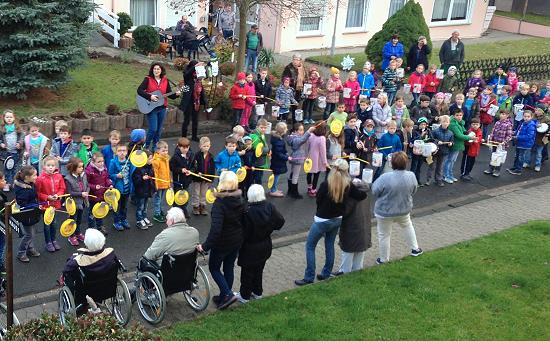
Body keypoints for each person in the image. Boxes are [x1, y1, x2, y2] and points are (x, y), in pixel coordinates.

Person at [295, 158, 367, 285]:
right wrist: (358, 183)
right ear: (346, 171)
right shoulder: (348, 185)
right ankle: (326, 273)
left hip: (322, 220)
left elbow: (318, 199)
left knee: (310, 246)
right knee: (329, 245)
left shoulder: (325, 184)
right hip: (337, 219)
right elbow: (362, 196)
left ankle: (309, 277)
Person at [196, 171, 244, 310]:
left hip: (222, 242)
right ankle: (224, 295)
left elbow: (216, 229)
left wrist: (205, 247)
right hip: (236, 240)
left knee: (214, 268)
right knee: (229, 267)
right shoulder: (239, 199)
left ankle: (228, 295)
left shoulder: (220, 203)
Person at [236, 184, 285, 303]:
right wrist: (269, 228)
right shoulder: (269, 206)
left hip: (249, 247)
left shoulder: (246, 210)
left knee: (247, 273)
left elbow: (241, 230)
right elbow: (280, 221)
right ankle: (257, 292)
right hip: (265, 244)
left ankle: (245, 295)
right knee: (259, 270)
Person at [372, 151, 423, 264]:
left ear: (392, 163)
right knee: (407, 226)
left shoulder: (385, 177)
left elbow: (375, 191)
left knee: (384, 234)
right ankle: (415, 249)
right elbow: (414, 190)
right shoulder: (411, 175)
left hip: (384, 211)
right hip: (403, 209)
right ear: (406, 163)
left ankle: (384, 259)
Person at [61, 229, 119, 314]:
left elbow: (66, 269)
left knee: (69, 276)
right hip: (107, 288)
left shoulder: (79, 260)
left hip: (86, 293)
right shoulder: (110, 253)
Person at [137, 63, 181, 150]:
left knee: (158, 130)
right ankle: (145, 147)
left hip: (162, 108)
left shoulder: (165, 80)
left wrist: (176, 94)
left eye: (158, 69)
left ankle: (155, 148)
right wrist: (150, 97)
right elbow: (139, 90)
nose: (156, 71)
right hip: (151, 108)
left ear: (161, 70)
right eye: (154, 69)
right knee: (153, 129)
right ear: (152, 70)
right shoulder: (148, 79)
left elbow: (169, 94)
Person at [335, 178, 370, 275]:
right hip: (364, 225)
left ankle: (344, 271)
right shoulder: (366, 194)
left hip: (351, 227)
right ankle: (357, 270)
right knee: (360, 249)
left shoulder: (351, 196)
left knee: (348, 250)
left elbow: (345, 211)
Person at [35, 156, 66, 252]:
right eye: (48, 165)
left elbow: (62, 188)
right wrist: (47, 197)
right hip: (45, 205)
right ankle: (48, 242)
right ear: (44, 166)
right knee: (47, 224)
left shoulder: (59, 176)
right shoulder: (40, 179)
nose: (51, 167)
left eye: (52, 165)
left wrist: (58, 195)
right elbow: (37, 192)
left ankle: (54, 240)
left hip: (55, 204)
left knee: (54, 223)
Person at [14, 166, 41, 263]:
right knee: (29, 234)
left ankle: (30, 248)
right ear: (26, 177)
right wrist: (35, 206)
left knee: (32, 233)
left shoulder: (31, 184)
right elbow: (23, 205)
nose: (36, 177)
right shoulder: (23, 190)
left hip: (32, 213)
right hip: (26, 215)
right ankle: (21, 253)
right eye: (34, 175)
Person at [64, 157, 90, 246]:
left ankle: (78, 233)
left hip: (82, 202)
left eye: (82, 167)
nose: (82, 169)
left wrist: (87, 191)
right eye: (79, 167)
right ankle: (71, 236)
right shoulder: (68, 179)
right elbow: (69, 192)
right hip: (73, 203)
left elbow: (87, 185)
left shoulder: (83, 175)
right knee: (72, 219)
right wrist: (81, 194)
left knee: (79, 219)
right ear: (73, 168)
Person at [180, 61, 207, 142]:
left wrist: (205, 102)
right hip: (188, 101)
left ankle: (194, 136)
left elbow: (201, 90)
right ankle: (183, 137)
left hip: (196, 101)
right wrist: (195, 66)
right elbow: (186, 75)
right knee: (186, 120)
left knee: (195, 120)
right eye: (195, 68)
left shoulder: (198, 79)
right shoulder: (188, 78)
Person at [86, 152, 112, 235]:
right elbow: (86, 183)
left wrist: (109, 184)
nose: (101, 163)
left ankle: (100, 227)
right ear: (93, 162)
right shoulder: (89, 171)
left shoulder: (104, 168)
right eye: (99, 162)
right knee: (92, 213)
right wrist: (93, 187)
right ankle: (91, 229)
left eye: (102, 161)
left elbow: (106, 179)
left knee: (100, 211)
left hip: (101, 195)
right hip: (92, 196)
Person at [286, 123, 314, 199]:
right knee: (295, 175)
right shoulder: (295, 139)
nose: (302, 132)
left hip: (295, 157)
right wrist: (308, 131)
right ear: (295, 131)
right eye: (300, 130)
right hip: (297, 158)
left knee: (292, 174)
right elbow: (302, 140)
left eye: (303, 130)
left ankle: (290, 190)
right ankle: (294, 193)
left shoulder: (294, 137)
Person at [108, 145, 132, 231]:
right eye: (119, 151)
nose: (122, 152)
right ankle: (116, 221)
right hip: (118, 189)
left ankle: (123, 219)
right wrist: (116, 175)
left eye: (124, 150)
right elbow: (109, 175)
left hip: (127, 188)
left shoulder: (129, 162)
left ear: (127, 152)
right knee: (116, 206)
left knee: (124, 206)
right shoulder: (113, 162)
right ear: (116, 152)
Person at [0, 109, 25, 189]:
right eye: (7, 117)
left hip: (15, 152)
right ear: (4, 118)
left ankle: (14, 183)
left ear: (14, 118)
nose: (9, 119)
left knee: (15, 168)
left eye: (11, 117)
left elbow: (22, 137)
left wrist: (19, 143)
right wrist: (1, 144)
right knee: (7, 168)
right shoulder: (2, 128)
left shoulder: (17, 128)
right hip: (6, 152)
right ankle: (7, 183)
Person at [484, 110, 513, 177]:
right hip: (494, 143)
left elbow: (509, 136)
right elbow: (493, 131)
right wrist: (490, 139)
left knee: (499, 157)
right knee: (493, 156)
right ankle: (490, 168)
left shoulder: (508, 124)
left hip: (501, 145)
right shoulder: (497, 122)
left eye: (504, 114)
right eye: (501, 114)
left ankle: (497, 170)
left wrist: (504, 142)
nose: (502, 115)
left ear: (507, 115)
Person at [191, 137, 215, 215]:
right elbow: (194, 166)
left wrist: (211, 178)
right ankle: (196, 207)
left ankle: (202, 206)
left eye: (207, 146)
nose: (206, 148)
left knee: (203, 193)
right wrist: (197, 172)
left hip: (206, 178)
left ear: (210, 146)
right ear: (200, 146)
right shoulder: (196, 155)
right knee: (196, 193)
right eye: (204, 146)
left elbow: (212, 168)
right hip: (197, 178)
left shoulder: (211, 156)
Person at [170, 137, 193, 218]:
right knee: (177, 196)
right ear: (179, 146)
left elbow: (193, 166)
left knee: (185, 196)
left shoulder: (190, 155)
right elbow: (172, 168)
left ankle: (184, 209)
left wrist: (191, 171)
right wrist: (181, 170)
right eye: (183, 147)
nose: (186, 149)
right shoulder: (175, 157)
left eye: (187, 147)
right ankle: (174, 211)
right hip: (178, 181)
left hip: (187, 180)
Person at [507, 110, 536, 176]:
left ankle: (518, 170)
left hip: (525, 144)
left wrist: (517, 137)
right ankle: (515, 167)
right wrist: (514, 132)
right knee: (516, 156)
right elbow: (519, 130)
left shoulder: (531, 125)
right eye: (525, 116)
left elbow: (529, 136)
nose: (526, 118)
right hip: (519, 143)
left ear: (531, 117)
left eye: (528, 116)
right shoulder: (523, 122)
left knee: (520, 157)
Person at [132, 150, 155, 229]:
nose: (151, 160)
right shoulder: (138, 169)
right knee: (140, 207)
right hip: (141, 192)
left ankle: (144, 217)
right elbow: (135, 181)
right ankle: (139, 220)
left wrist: (153, 188)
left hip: (148, 191)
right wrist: (142, 178)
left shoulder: (151, 168)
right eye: (150, 159)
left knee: (145, 206)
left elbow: (152, 179)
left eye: (152, 158)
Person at [282, 54, 307, 122]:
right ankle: (284, 124)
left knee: (295, 109)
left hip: (299, 91)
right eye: (294, 59)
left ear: (300, 61)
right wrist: (291, 82)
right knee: (287, 108)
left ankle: (294, 125)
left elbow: (305, 79)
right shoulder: (288, 68)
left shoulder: (302, 68)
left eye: (297, 59)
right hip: (290, 91)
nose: (295, 61)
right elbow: (284, 79)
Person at [306, 121, 329, 197]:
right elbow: (323, 151)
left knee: (309, 172)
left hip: (310, 157)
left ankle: (309, 187)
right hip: (317, 159)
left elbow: (308, 146)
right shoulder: (322, 138)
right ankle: (313, 190)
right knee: (316, 174)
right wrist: (325, 162)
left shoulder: (311, 135)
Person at [431, 115, 454, 186]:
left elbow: (452, 141)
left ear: (449, 123)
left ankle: (438, 180)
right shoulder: (435, 131)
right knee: (431, 166)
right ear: (440, 122)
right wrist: (437, 141)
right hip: (435, 151)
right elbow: (431, 139)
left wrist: (451, 144)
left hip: (444, 152)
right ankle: (428, 180)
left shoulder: (450, 133)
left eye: (447, 122)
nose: (445, 123)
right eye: (444, 122)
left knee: (440, 167)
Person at [269, 122, 290, 197]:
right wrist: (287, 157)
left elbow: (282, 150)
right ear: (283, 131)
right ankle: (273, 190)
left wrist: (286, 152)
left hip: (276, 161)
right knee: (276, 176)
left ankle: (274, 188)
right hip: (277, 162)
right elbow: (279, 153)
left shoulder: (278, 138)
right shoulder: (278, 140)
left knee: (276, 175)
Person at [152, 141, 171, 223]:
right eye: (163, 151)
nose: (165, 152)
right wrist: (156, 184)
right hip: (159, 184)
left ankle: (159, 211)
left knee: (161, 199)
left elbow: (167, 171)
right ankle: (157, 214)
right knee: (158, 199)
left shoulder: (165, 159)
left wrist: (169, 181)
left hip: (164, 183)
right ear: (157, 151)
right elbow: (155, 174)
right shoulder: (156, 161)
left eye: (166, 151)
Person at [250, 119, 270, 184]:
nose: (263, 129)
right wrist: (268, 150)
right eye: (261, 127)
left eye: (265, 128)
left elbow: (264, 145)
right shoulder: (255, 136)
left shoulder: (262, 135)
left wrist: (267, 150)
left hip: (260, 161)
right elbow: (258, 150)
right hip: (256, 161)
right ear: (257, 127)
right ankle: (256, 192)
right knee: (257, 179)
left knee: (259, 177)